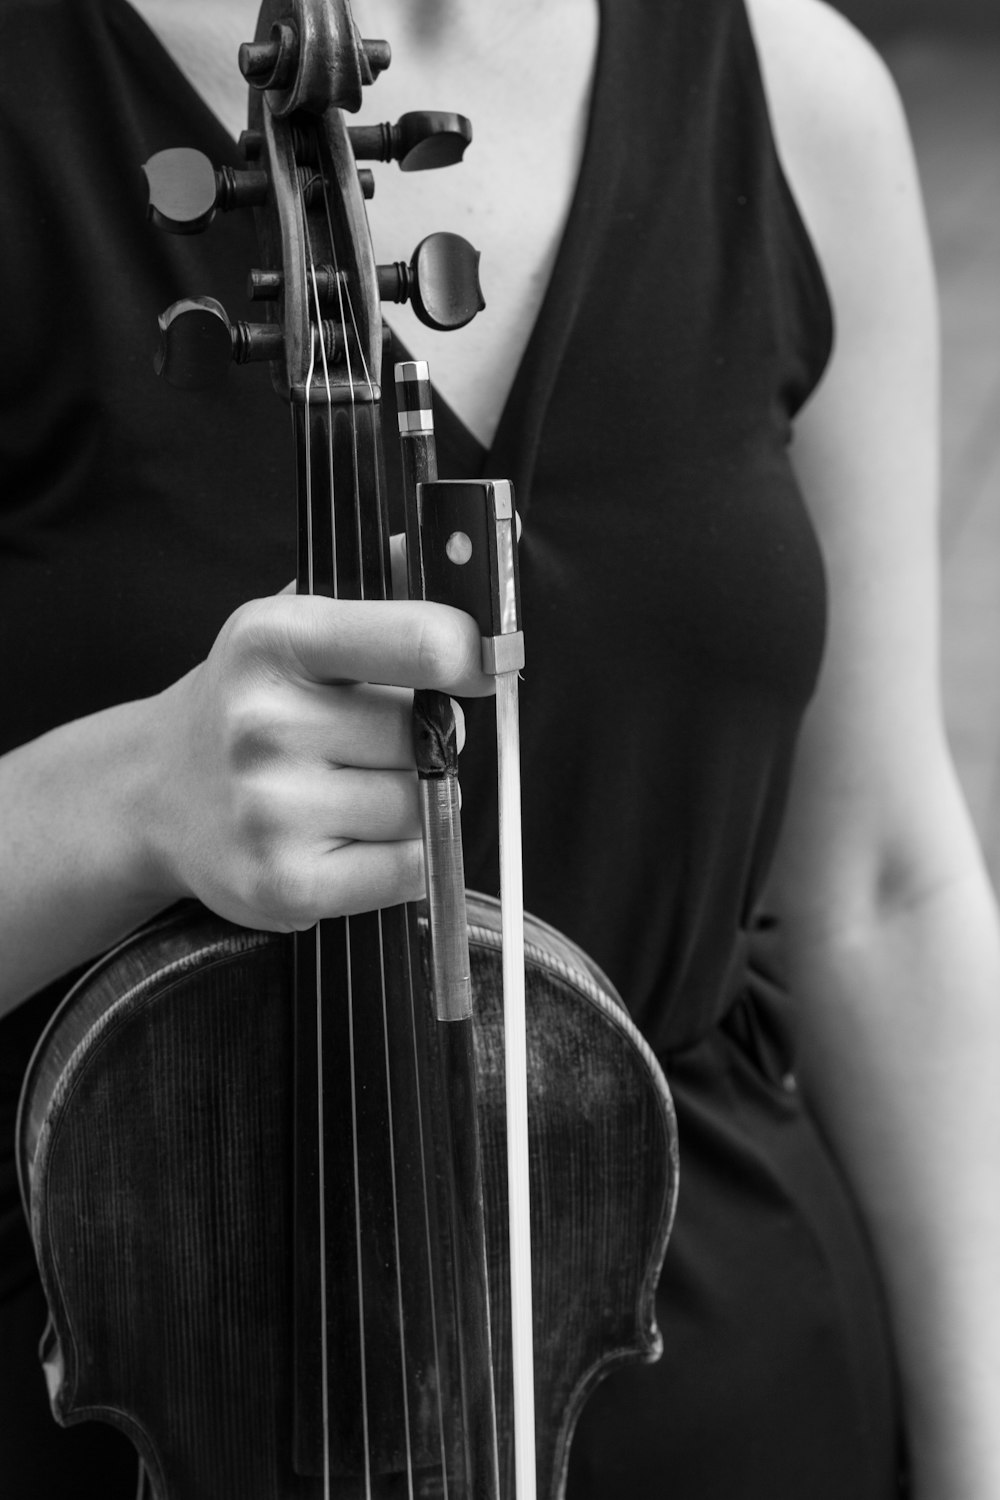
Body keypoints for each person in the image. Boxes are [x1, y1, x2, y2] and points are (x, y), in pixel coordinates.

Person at [2, 0, 1000, 1495]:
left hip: (731, 1385)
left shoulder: (799, 91)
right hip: (158, 1376)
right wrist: (123, 801)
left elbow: (881, 886)